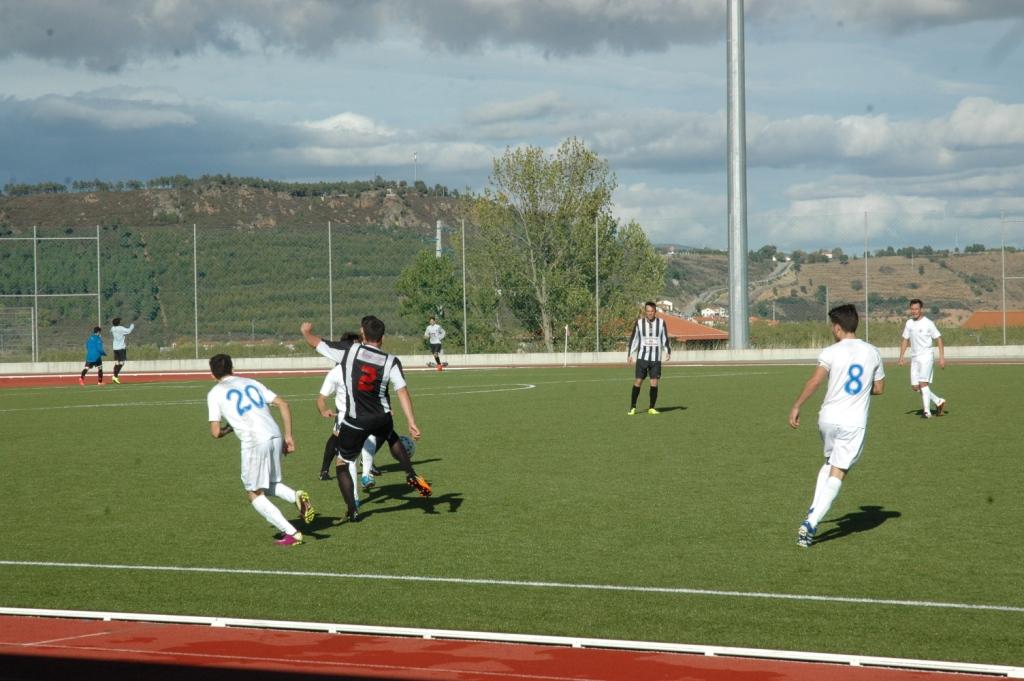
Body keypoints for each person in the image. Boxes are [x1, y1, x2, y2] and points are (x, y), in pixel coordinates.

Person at [303, 317, 431, 523]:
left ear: (362, 333)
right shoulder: (391, 361)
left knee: (343, 462)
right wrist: (411, 421)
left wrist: (306, 332)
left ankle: (352, 509)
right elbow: (402, 391)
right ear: (383, 338)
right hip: (382, 416)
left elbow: (317, 343)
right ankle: (410, 473)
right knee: (390, 435)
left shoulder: (350, 351)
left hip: (357, 419)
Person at [788, 304, 885, 549]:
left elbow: (815, 381)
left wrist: (797, 405)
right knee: (839, 471)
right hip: (852, 421)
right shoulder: (872, 351)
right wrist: (860, 392)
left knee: (830, 462)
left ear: (838, 328)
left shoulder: (830, 351)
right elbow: (879, 388)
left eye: (833, 326)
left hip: (827, 418)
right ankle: (811, 523)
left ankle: (814, 508)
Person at [206, 353, 316, 546]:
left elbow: (215, 433)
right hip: (275, 434)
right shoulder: (251, 382)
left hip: (254, 440)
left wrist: (229, 429)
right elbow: (283, 404)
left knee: (254, 493)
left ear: (212, 374)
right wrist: (288, 436)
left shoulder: (215, 392)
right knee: (269, 483)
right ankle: (295, 496)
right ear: (233, 369)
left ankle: (291, 532)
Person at [897, 298, 947, 419]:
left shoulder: (928, 323)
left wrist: (941, 358)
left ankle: (927, 412)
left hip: (926, 357)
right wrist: (901, 356)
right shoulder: (909, 323)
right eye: (912, 309)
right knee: (915, 387)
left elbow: (938, 339)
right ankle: (938, 401)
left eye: (916, 309)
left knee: (923, 383)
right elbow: (905, 339)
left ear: (921, 309)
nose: (914, 311)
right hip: (914, 358)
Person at [626, 302, 671, 415]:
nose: (650, 313)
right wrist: (630, 354)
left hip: (655, 359)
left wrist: (667, 351)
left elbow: (665, 338)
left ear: (655, 312)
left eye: (652, 311)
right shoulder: (639, 323)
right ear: (645, 312)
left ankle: (651, 408)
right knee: (638, 381)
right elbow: (634, 339)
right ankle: (632, 407)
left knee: (654, 382)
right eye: (648, 311)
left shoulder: (661, 323)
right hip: (642, 358)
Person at [109, 317, 135, 384]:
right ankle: (115, 376)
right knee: (122, 363)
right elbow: (128, 331)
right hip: (121, 348)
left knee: (117, 363)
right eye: (120, 321)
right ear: (118, 323)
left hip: (115, 348)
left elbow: (111, 331)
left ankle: (115, 376)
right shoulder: (121, 328)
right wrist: (132, 326)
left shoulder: (112, 328)